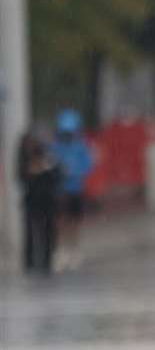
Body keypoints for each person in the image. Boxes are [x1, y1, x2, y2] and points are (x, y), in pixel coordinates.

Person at [51, 110, 95, 272]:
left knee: (75, 222)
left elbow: (88, 166)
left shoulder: (81, 147)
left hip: (75, 189)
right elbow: (51, 163)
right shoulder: (55, 147)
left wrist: (74, 171)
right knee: (61, 221)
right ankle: (61, 251)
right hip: (60, 191)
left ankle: (74, 250)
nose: (67, 134)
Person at [16, 131, 60, 276]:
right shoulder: (23, 159)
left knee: (48, 232)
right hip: (31, 201)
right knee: (30, 233)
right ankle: (29, 263)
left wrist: (43, 169)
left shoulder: (47, 156)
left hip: (47, 201)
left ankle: (47, 262)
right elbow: (21, 177)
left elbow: (56, 174)